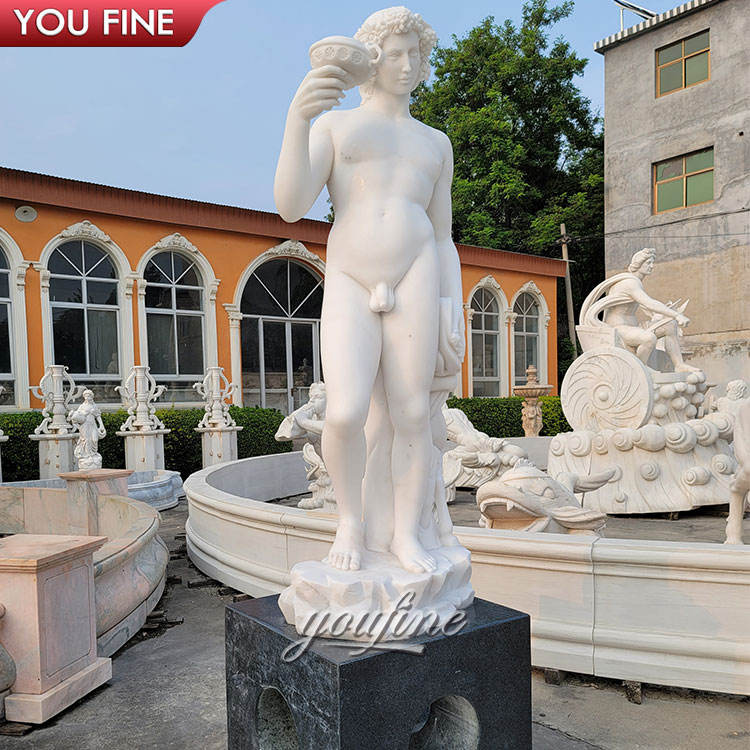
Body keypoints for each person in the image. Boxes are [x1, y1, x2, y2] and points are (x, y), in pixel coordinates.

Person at [274, 7, 464, 573]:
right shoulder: (336, 127)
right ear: (372, 60)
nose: (408, 65)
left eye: (416, 54)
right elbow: (290, 205)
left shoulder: (435, 143)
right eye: (396, 54)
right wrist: (297, 120)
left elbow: (444, 235)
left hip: (417, 272)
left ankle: (405, 535)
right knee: (344, 412)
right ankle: (350, 524)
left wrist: (450, 307)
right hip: (351, 277)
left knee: (412, 413)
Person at [601, 248, 699, 372]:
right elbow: (649, 303)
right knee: (648, 338)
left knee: (670, 325)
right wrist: (676, 315)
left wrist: (664, 314)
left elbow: (647, 306)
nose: (652, 266)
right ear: (638, 264)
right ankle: (640, 370)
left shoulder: (636, 282)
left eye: (652, 263)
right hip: (618, 328)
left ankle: (679, 365)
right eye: (648, 263)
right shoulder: (629, 283)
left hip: (633, 327)